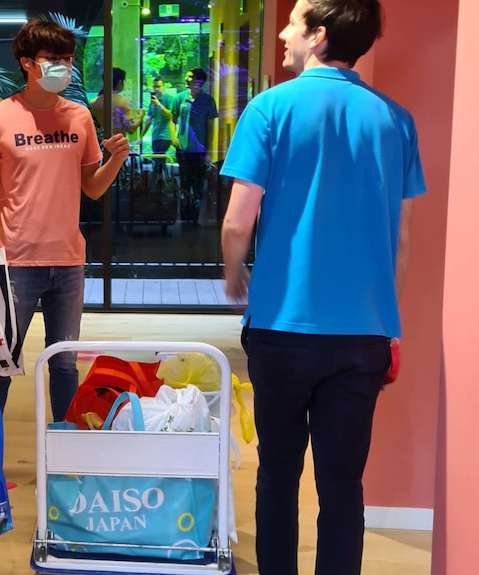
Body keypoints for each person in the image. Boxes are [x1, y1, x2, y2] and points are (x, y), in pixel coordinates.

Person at [219, 1, 426, 574]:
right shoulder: (395, 119)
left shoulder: (268, 110)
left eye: (293, 21)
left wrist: (234, 272)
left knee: (279, 473)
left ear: (318, 35)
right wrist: (386, 321)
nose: (283, 31)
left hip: (282, 327)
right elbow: (401, 239)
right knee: (342, 483)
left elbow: (240, 220)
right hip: (362, 334)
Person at [0, 19, 129, 420]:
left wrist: (117, 160)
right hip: (17, 261)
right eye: (52, 59)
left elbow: (91, 187)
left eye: (67, 59)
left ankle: (65, 450)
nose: (63, 66)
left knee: (63, 364)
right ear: (27, 62)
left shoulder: (78, 118)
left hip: (69, 259)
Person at [173, 68, 218, 223]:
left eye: (190, 77)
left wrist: (209, 150)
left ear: (199, 81)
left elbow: (211, 127)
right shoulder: (180, 98)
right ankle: (184, 216)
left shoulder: (208, 101)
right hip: (182, 148)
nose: (186, 79)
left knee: (197, 183)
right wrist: (173, 137)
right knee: (184, 182)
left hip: (199, 150)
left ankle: (195, 217)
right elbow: (172, 120)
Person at [89, 67, 145, 136]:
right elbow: (131, 129)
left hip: (98, 144)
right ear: (120, 82)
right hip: (117, 144)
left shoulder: (92, 103)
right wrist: (141, 116)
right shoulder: (123, 102)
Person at [142, 76, 178, 173]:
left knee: (159, 161)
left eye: (158, 86)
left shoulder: (169, 99)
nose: (156, 89)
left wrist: (159, 104)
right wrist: (141, 136)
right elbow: (149, 120)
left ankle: (160, 182)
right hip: (155, 136)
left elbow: (171, 115)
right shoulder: (152, 102)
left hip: (165, 136)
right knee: (157, 161)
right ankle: (161, 181)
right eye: (154, 87)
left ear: (164, 86)